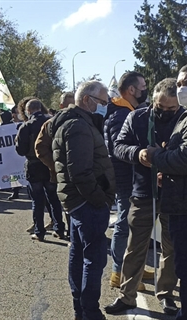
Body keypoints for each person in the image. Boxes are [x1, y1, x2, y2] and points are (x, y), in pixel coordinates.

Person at [105, 78, 182, 316]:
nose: (166, 113)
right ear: (153, 101)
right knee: (136, 245)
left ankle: (166, 294)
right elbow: (118, 146)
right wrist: (137, 153)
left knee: (171, 248)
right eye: (161, 108)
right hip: (142, 190)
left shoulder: (184, 118)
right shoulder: (137, 117)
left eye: (172, 109)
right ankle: (127, 296)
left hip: (175, 193)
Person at [51, 81, 116, 320]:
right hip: (86, 202)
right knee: (92, 259)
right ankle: (89, 311)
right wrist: (99, 199)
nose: (105, 106)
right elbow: (80, 171)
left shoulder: (74, 123)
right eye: (102, 102)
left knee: (79, 254)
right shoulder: (77, 126)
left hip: (77, 201)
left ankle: (82, 309)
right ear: (87, 100)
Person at [140, 65, 187, 320]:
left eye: (186, 83)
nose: (182, 89)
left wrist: (159, 156)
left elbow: (184, 158)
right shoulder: (139, 117)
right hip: (171, 198)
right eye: (180, 83)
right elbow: (120, 145)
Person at [104, 72, 153, 289]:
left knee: (134, 226)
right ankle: (120, 273)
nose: (146, 90)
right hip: (126, 180)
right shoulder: (121, 114)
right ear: (131, 90)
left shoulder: (127, 111)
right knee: (124, 225)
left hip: (131, 179)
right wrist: (140, 153)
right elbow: (118, 150)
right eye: (143, 86)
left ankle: (135, 269)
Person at [15, 99, 65, 241]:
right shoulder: (52, 122)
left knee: (37, 201)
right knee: (54, 198)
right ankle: (59, 229)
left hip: (34, 166)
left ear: (28, 111)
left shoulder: (25, 127)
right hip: (50, 165)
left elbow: (20, 150)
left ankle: (39, 231)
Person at [35, 92, 76, 237]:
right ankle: (71, 234)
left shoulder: (84, 120)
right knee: (67, 205)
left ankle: (75, 234)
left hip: (81, 173)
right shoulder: (51, 124)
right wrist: (55, 165)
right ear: (61, 106)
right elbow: (40, 148)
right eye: (69, 105)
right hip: (60, 175)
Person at [8, 105, 23, 200]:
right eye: (18, 113)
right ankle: (15, 191)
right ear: (13, 114)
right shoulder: (7, 125)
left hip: (22, 152)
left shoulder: (25, 123)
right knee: (14, 173)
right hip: (12, 154)